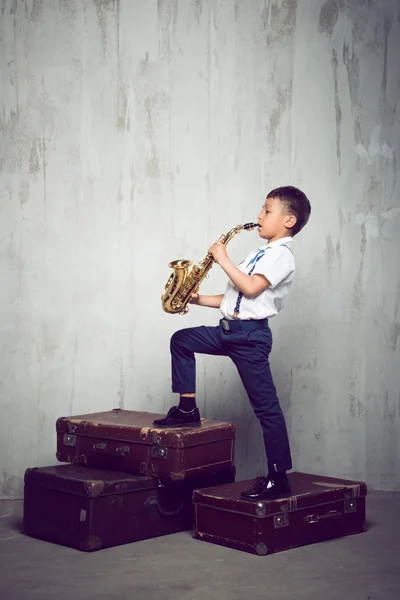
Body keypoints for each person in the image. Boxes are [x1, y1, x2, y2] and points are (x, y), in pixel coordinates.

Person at [154, 186, 311, 500]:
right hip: (228, 331)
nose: (259, 216)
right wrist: (195, 298)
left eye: (267, 210)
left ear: (289, 220)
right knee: (182, 340)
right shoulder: (260, 253)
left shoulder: (282, 255)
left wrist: (222, 258)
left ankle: (278, 477)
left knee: (267, 411)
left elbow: (251, 288)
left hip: (250, 339)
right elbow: (234, 299)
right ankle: (187, 410)